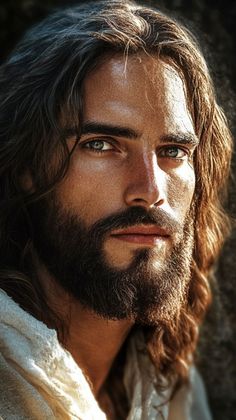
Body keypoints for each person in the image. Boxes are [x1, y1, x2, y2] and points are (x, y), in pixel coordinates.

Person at [0, 0, 233, 418]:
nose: (149, 190)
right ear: (27, 168)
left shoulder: (172, 388)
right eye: (101, 145)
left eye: (173, 151)